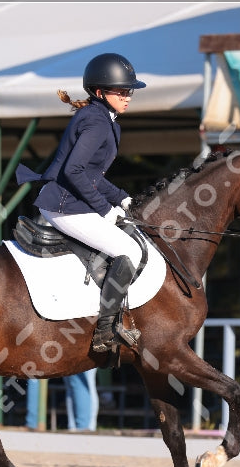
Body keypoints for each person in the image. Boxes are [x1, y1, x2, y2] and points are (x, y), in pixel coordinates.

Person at [16, 52, 146, 353]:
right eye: (122, 91)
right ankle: (104, 333)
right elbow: (74, 171)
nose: (128, 96)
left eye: (130, 91)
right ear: (100, 92)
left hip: (71, 199)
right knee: (126, 250)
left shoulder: (105, 119)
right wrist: (104, 209)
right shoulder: (97, 122)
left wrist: (120, 198)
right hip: (64, 204)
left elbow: (91, 173)